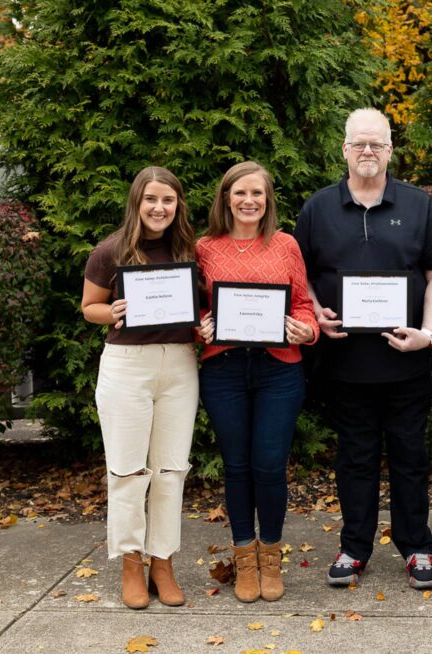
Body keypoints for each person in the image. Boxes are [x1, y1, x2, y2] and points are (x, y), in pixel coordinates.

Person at [294, 108, 432, 590]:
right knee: (355, 458)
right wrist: (315, 312)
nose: (368, 151)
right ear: (344, 149)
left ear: (390, 150)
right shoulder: (318, 208)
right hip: (345, 363)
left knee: (410, 457)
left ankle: (417, 546)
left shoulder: (419, 205)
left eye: (377, 144)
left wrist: (428, 332)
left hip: (406, 362)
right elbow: (299, 275)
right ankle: (354, 547)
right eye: (359, 143)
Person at [196, 161, 318, 603]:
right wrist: (200, 326)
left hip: (278, 369)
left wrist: (307, 330)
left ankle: (270, 557)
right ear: (226, 198)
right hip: (224, 369)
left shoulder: (285, 245)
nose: (249, 201)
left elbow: (302, 304)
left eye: (257, 194)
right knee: (236, 466)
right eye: (240, 193)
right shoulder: (204, 247)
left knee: (269, 464)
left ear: (268, 200)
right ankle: (244, 558)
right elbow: (195, 307)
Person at [82, 166, 198, 609]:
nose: (159, 208)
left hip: (179, 364)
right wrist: (112, 311)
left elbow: (203, 304)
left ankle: (162, 563)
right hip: (127, 366)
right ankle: (131, 564)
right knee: (127, 472)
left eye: (168, 200)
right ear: (137, 201)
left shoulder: (188, 248)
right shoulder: (110, 250)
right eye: (151, 199)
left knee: (171, 471)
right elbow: (89, 307)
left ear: (177, 204)